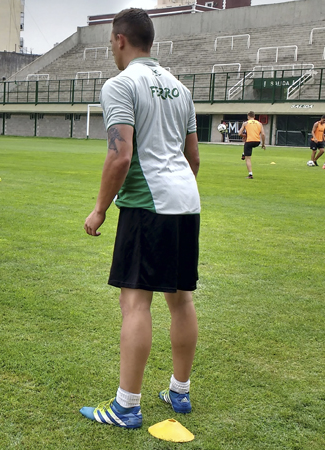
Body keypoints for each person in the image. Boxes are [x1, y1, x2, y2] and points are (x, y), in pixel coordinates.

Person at [81, 8, 201, 429]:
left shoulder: (121, 84)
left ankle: (126, 407)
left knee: (135, 301)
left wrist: (99, 209)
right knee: (181, 299)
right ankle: (179, 392)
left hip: (148, 205)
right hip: (186, 201)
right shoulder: (180, 89)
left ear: (119, 40)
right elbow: (193, 158)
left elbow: (121, 155)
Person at [240, 111, 265, 179]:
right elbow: (263, 134)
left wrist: (244, 136)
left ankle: (250, 174)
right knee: (247, 144)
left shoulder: (246, 123)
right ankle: (244, 153)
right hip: (257, 142)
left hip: (249, 142)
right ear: (254, 116)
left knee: (248, 158)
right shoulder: (259, 123)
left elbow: (239, 133)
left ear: (248, 116)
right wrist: (263, 144)